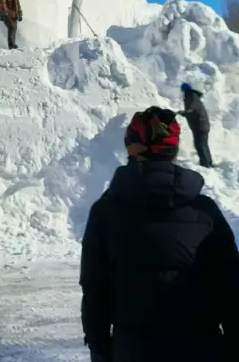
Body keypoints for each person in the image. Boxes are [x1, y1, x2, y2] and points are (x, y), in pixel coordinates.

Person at [80, 106, 239, 362]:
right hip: (202, 351)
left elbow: (95, 290)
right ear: (173, 150)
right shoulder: (205, 210)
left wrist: (100, 350)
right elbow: (232, 287)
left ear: (132, 149)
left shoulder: (104, 213)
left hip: (132, 352)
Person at [179, 82, 214, 168]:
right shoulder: (194, 96)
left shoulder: (191, 96)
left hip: (199, 125)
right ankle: (208, 162)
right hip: (202, 125)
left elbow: (192, 109)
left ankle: (205, 164)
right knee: (203, 144)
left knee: (200, 145)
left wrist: (184, 113)